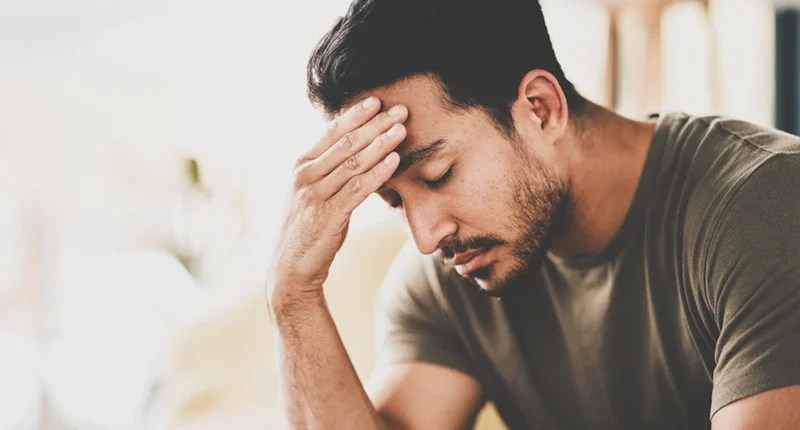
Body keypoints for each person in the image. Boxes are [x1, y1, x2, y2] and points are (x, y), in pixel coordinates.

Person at [267, 0, 800, 428]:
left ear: (541, 109)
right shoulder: (447, 282)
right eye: (395, 201)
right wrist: (292, 296)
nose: (427, 238)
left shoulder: (766, 205)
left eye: (438, 175)